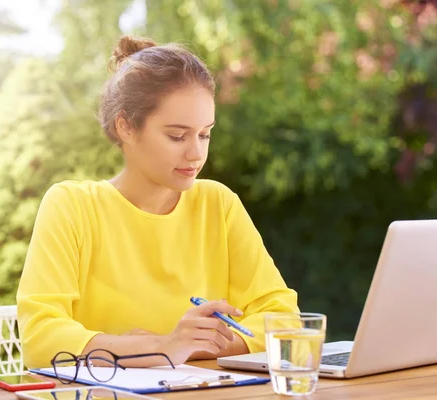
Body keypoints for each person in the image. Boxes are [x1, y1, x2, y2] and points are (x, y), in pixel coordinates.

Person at [16, 35, 299, 369]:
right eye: (177, 136)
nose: (196, 153)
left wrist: (183, 347)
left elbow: (285, 320)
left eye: (205, 134)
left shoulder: (218, 205)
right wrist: (164, 346)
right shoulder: (72, 206)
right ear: (125, 127)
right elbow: (40, 338)